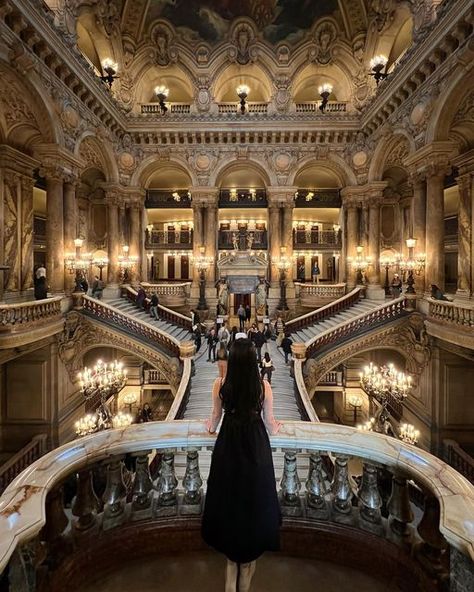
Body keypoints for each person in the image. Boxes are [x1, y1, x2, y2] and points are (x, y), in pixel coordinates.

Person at [202, 338, 281, 592]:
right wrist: (277, 427)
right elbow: (270, 424)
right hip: (255, 449)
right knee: (253, 499)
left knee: (229, 498)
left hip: (229, 448)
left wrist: (209, 426)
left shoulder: (220, 385)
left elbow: (214, 420)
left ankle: (230, 567)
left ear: (233, 361)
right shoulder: (263, 387)